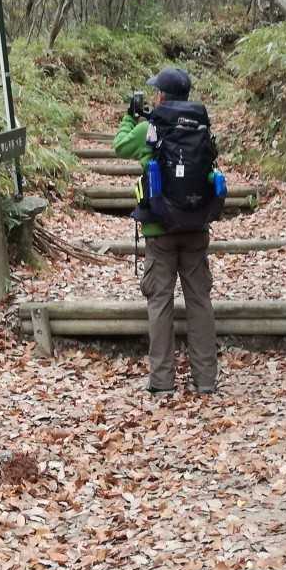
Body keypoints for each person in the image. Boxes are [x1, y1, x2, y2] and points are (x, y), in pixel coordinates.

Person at [112, 66, 220, 395]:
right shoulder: (200, 125)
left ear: (160, 96)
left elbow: (120, 146)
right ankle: (206, 380)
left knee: (160, 302)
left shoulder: (149, 126)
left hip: (159, 227)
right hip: (196, 224)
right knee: (199, 300)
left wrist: (129, 118)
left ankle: (162, 381)